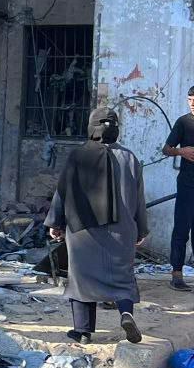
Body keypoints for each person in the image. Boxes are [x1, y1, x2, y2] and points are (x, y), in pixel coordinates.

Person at [46, 108, 147, 344]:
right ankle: (125, 313)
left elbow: (62, 193)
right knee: (122, 279)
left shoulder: (78, 156)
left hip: (84, 232)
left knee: (82, 280)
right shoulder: (130, 158)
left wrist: (55, 222)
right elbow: (139, 198)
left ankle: (82, 332)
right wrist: (141, 229)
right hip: (122, 231)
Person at [161, 86, 194, 291]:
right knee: (181, 230)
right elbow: (166, 149)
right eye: (190, 98)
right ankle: (177, 274)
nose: (192, 102)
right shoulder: (183, 122)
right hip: (187, 185)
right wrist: (181, 151)